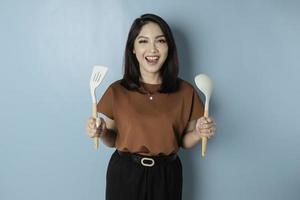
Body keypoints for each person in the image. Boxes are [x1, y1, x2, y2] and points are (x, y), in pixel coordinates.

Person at [86, 13, 216, 200]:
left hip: (167, 175)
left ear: (169, 47)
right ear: (133, 48)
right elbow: (112, 140)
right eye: (143, 41)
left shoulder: (185, 91)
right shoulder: (117, 90)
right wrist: (101, 131)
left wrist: (198, 133)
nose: (152, 49)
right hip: (125, 175)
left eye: (160, 41)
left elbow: (184, 142)